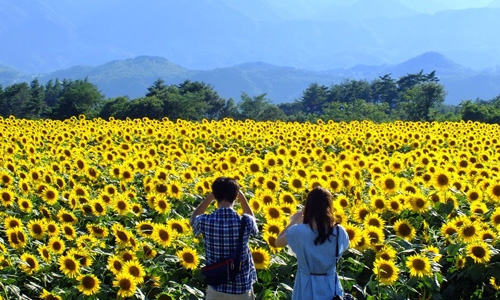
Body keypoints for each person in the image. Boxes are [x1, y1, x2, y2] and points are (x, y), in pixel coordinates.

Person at [275, 187, 350, 300]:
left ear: (308, 206)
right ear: (329, 207)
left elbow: (278, 242)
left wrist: (297, 219)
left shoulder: (298, 231)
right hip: (330, 286)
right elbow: (343, 248)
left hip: (305, 286)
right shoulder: (339, 232)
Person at [190, 177, 259, 300]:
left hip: (216, 288)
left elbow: (193, 219)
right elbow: (253, 222)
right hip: (241, 288)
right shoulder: (245, 222)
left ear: (215, 196)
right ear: (236, 196)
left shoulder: (205, 221)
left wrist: (209, 197)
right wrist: (242, 197)